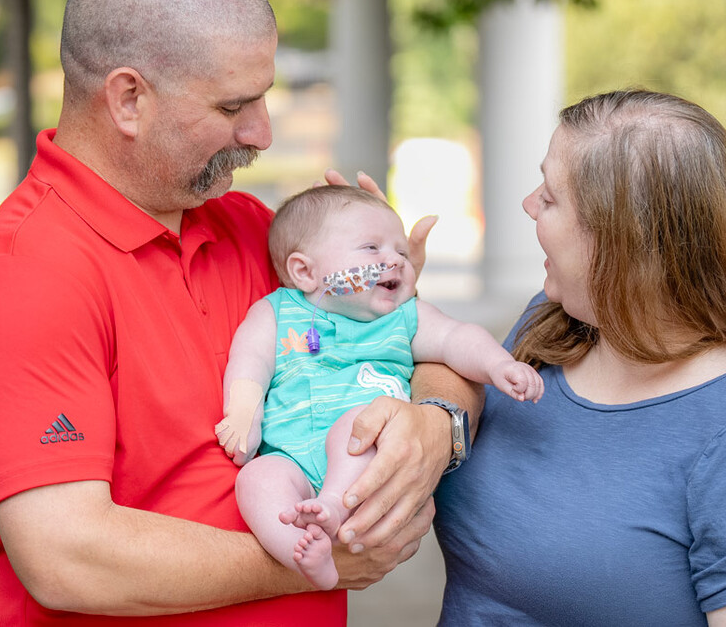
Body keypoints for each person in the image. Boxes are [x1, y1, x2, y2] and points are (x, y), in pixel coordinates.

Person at [0, 0, 478, 625]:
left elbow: (439, 350)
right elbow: (68, 556)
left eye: (264, 99)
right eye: (232, 107)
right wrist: (310, 565)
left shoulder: (257, 232)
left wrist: (433, 428)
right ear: (128, 99)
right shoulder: (23, 277)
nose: (262, 133)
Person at [434, 89, 726, 625]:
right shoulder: (550, 327)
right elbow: (442, 364)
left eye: (552, 194)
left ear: (622, 238)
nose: (529, 203)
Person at [214, 185, 542, 590]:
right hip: (290, 459)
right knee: (257, 480)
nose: (395, 261)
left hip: (367, 461)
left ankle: (333, 505)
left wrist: (498, 364)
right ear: (305, 271)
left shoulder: (403, 318)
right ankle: (302, 553)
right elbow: (250, 360)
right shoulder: (276, 312)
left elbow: (457, 338)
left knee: (364, 421)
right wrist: (245, 412)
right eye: (371, 248)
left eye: (401, 253)